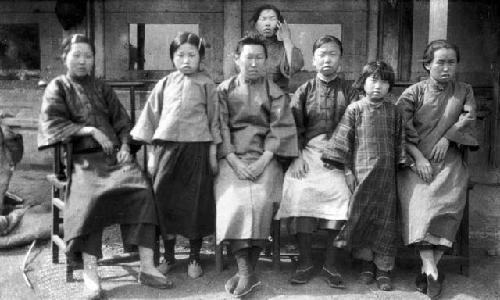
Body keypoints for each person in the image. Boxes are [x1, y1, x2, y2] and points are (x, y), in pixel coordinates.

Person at [38, 34, 172, 299]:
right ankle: (91, 273)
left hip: (114, 157)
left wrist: (124, 147)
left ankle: (147, 266)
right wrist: (88, 129)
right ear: (64, 57)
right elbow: (52, 125)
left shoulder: (101, 87)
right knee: (90, 200)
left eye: (88, 56)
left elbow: (123, 122)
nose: (82, 61)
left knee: (142, 190)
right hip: (82, 160)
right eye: (76, 55)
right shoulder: (58, 87)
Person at [131, 32, 220, 279]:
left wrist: (213, 152)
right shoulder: (165, 83)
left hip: (197, 151)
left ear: (200, 58)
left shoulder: (207, 84)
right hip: (166, 151)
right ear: (172, 57)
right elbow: (150, 119)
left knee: (195, 205)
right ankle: (169, 257)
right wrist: (151, 155)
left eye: (192, 55)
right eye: (180, 55)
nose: (186, 60)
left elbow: (215, 122)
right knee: (163, 201)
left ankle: (194, 257)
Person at [216, 34, 298, 297]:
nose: (253, 63)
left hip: (266, 158)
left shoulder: (275, 93)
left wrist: (263, 161)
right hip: (231, 159)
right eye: (248, 57)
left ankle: (245, 274)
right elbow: (219, 128)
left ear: (266, 61)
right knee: (235, 202)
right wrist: (233, 159)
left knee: (262, 200)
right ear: (236, 59)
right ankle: (247, 272)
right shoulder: (223, 91)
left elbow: (280, 130)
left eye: (259, 57)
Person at [396, 40, 478, 299]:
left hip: (450, 158)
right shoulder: (413, 93)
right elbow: (400, 128)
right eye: (440, 62)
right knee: (422, 199)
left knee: (450, 199)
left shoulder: (464, 91)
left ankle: (429, 269)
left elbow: (468, 118)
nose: (445, 67)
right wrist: (419, 157)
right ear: (427, 64)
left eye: (451, 62)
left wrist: (448, 137)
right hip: (414, 160)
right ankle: (431, 269)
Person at [275, 35, 357, 288]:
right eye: (322, 54)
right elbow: (290, 125)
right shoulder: (305, 89)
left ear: (340, 60)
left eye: (333, 54)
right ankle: (306, 261)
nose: (327, 59)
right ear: (314, 59)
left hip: (340, 157)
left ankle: (331, 264)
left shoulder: (350, 91)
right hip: (308, 153)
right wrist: (296, 156)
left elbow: (357, 127)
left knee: (342, 194)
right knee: (299, 189)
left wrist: (348, 165)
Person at [322, 61, 406, 291]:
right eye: (373, 80)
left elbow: (401, 142)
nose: (378, 86)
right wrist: (347, 171)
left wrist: (400, 165)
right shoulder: (355, 109)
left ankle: (384, 268)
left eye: (384, 81)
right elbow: (343, 143)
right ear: (363, 83)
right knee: (361, 216)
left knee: (386, 220)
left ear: (390, 87)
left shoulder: (395, 111)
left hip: (386, 176)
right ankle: (365, 264)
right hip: (361, 174)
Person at [249, 4, 304, 91]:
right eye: (263, 19)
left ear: (279, 24)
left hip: (277, 98)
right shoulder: (247, 47)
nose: (267, 23)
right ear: (256, 24)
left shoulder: (283, 48)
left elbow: (295, 67)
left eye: (272, 19)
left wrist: (286, 38)